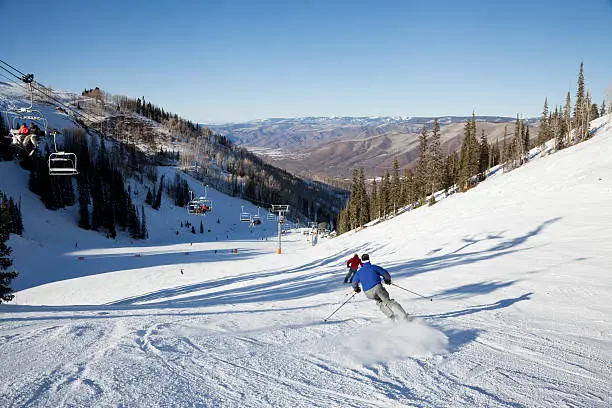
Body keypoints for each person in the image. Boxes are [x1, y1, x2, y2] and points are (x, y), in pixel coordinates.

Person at [352, 253, 410, 321]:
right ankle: (404, 316)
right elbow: (385, 273)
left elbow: (354, 282)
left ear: (361, 261)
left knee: (380, 303)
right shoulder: (373, 267)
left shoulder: (359, 272)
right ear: (369, 259)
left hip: (368, 293)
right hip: (377, 288)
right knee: (388, 302)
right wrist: (387, 280)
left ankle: (392, 317)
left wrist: (356, 289)